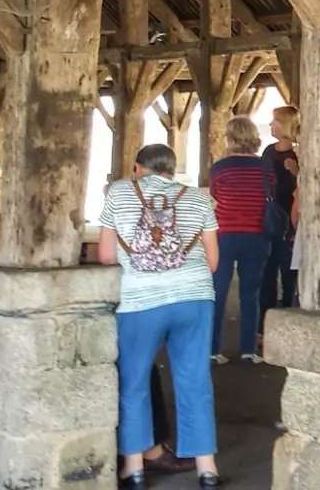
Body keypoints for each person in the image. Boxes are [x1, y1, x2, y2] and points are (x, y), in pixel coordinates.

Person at [99, 144, 222, 488]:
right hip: (194, 298)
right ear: (172, 169)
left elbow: (106, 256)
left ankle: (134, 467)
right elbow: (213, 262)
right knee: (195, 380)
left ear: (138, 168)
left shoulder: (119, 192)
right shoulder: (199, 199)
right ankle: (207, 469)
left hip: (140, 300)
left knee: (133, 380)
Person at [206, 117, 277, 365]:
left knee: (217, 293)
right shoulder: (266, 167)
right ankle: (249, 350)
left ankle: (212, 350)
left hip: (224, 234)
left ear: (229, 138)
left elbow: (215, 194)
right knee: (250, 294)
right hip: (257, 235)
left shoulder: (219, 168)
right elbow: (271, 194)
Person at [261, 106, 300, 314]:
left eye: (274, 121)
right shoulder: (268, 151)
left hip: (290, 218)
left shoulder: (298, 153)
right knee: (268, 267)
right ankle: (266, 313)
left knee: (288, 270)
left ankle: (288, 309)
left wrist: (297, 171)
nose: (270, 124)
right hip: (270, 217)